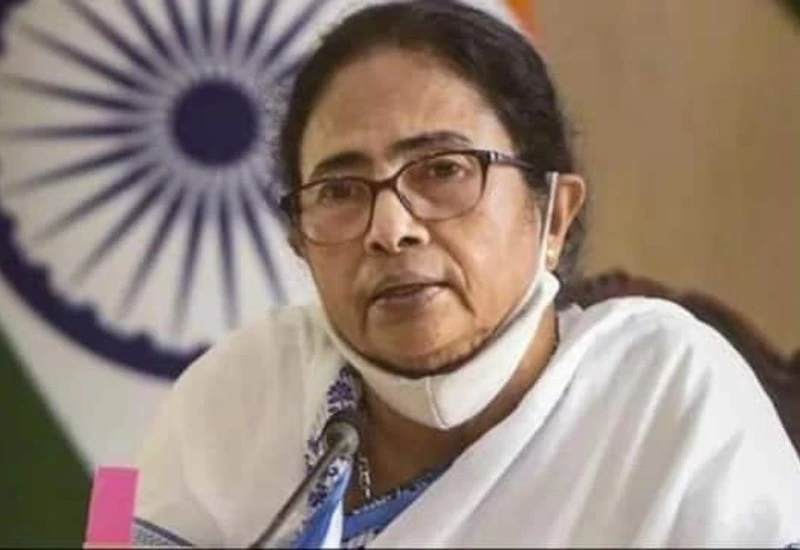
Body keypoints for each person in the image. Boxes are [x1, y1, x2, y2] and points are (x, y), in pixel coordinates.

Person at [132, 1, 800, 547]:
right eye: (339, 190)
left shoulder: (666, 391)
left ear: (554, 215)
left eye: (444, 170)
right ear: (299, 242)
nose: (390, 228)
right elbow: (111, 512)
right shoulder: (240, 385)